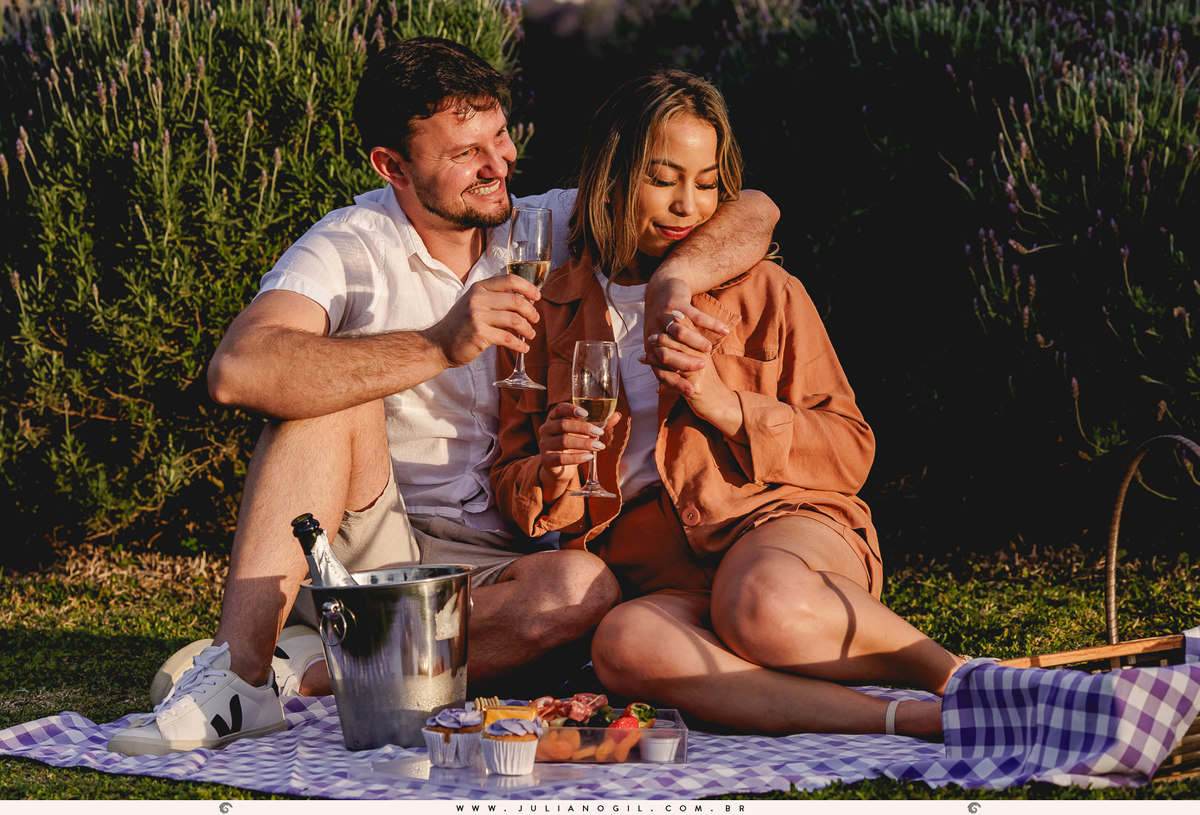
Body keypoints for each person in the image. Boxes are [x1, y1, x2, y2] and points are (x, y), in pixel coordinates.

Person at [105, 38, 780, 756]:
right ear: (392, 166)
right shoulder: (350, 244)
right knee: (332, 398)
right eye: (466, 154)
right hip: (379, 539)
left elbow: (756, 212)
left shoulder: (547, 223)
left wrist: (674, 279)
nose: (499, 166)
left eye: (500, 136)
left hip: (506, 562)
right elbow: (237, 369)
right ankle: (243, 674)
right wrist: (437, 345)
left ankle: (314, 671)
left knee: (584, 587)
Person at [491, 68, 964, 739]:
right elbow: (512, 478)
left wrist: (726, 405)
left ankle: (963, 678)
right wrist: (554, 468)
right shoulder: (542, 313)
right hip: (658, 576)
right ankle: (904, 718)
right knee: (621, 645)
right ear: (612, 177)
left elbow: (851, 449)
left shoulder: (765, 290)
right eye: (664, 178)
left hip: (781, 526)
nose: (689, 204)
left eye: (707, 182)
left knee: (758, 599)